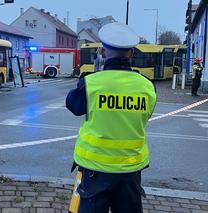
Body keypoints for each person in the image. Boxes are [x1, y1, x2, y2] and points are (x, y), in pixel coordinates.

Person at [66, 22, 157, 213]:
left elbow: (72, 106)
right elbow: (145, 116)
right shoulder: (147, 86)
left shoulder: (91, 83)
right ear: (132, 53)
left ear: (102, 52)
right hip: (130, 171)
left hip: (95, 171)